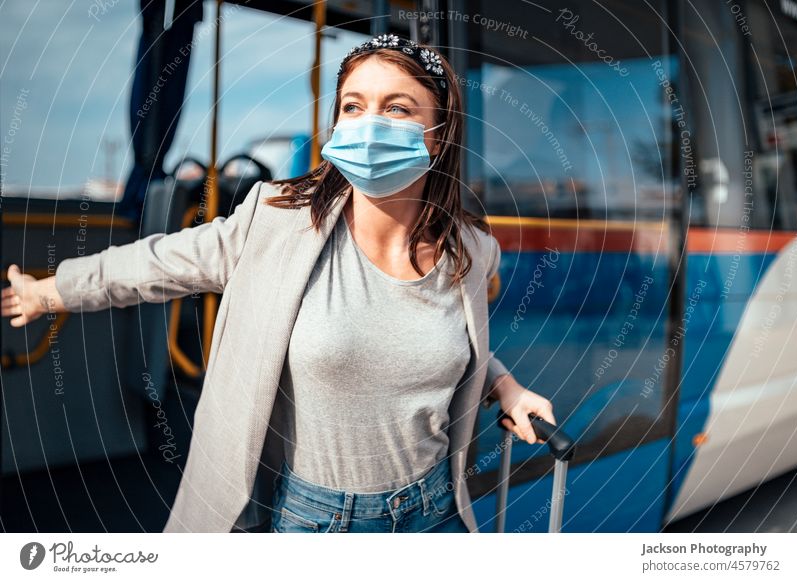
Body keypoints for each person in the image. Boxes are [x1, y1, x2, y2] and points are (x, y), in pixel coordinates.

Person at [2, 34, 556, 533]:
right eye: (353, 107)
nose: (369, 126)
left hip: (435, 514)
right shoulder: (277, 221)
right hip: (318, 521)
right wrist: (51, 289)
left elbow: (443, 343)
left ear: (438, 137)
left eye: (398, 109)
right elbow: (158, 263)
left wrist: (502, 384)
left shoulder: (471, 248)